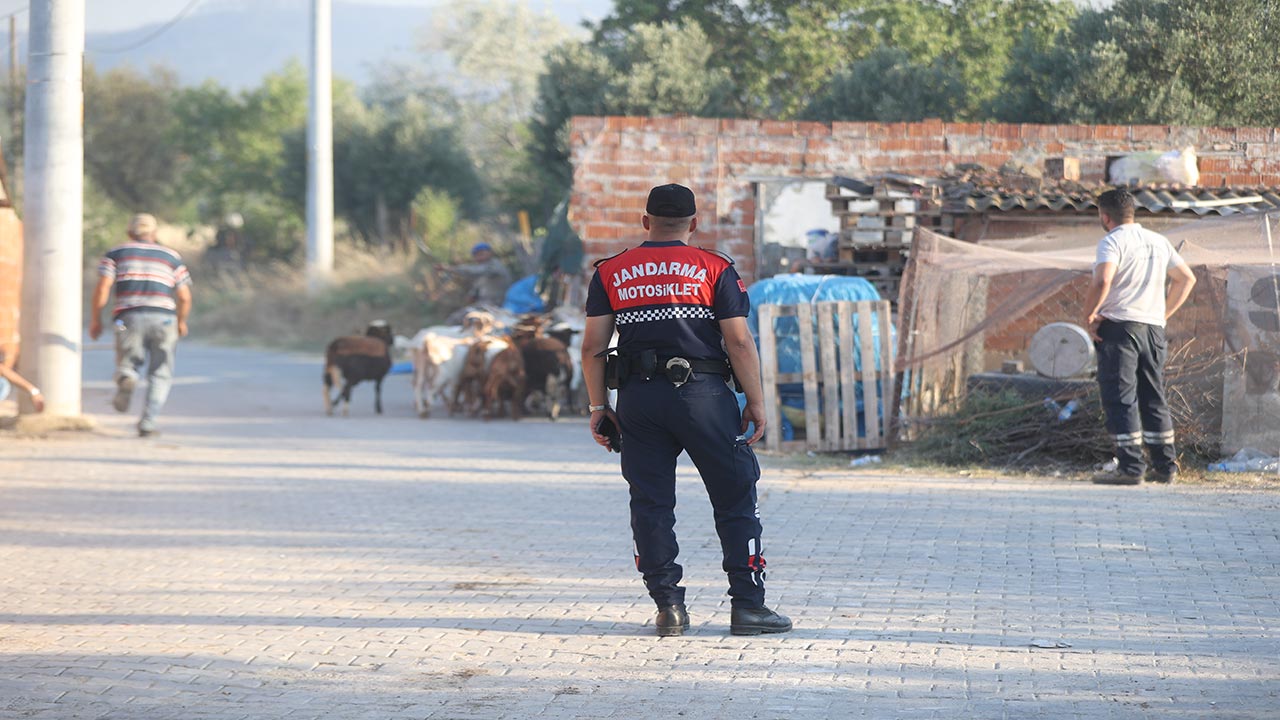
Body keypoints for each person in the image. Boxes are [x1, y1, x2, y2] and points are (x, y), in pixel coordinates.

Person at [580, 183, 792, 637]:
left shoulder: (611, 272)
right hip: (704, 398)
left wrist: (600, 406)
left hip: (639, 401)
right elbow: (738, 341)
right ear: (694, 223)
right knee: (735, 497)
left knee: (651, 503)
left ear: (646, 221)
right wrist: (755, 402)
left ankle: (669, 608)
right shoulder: (715, 269)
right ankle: (748, 607)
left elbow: (592, 346)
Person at [1084, 188, 1196, 485]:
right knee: (1153, 396)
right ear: (1132, 212)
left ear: (1105, 216)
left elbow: (1103, 279)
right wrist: (1163, 314)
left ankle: (1131, 468)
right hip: (1153, 329)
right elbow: (1187, 279)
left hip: (1120, 327)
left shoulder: (1112, 241)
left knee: (1121, 396)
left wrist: (1089, 315)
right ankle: (1165, 466)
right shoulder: (1158, 241)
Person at [89, 213, 194, 437]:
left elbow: (103, 287)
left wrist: (96, 319)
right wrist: (181, 322)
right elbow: (184, 297)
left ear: (130, 232)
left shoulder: (116, 253)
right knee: (160, 373)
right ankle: (148, 423)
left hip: (127, 317)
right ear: (154, 233)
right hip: (165, 319)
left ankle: (127, 376)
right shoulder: (171, 256)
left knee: (128, 361)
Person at [442, 242, 512, 307]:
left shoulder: (495, 265)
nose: (479, 257)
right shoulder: (483, 268)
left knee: (462, 315)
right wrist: (473, 294)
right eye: (476, 255)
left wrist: (451, 268)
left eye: (481, 254)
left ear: (490, 253)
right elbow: (479, 283)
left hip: (499, 303)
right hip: (485, 303)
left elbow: (474, 271)